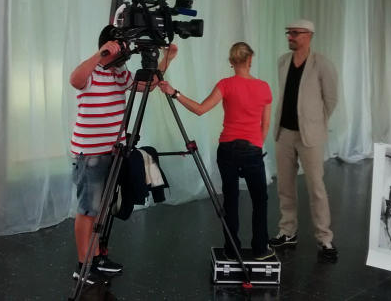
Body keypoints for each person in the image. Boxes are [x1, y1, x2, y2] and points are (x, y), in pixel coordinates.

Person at [68, 27, 177, 283]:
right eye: (123, 47)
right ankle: (83, 267)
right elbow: (75, 79)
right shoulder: (92, 70)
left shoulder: (119, 73)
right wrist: (101, 54)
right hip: (91, 154)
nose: (127, 52)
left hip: (114, 151)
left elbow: (147, 86)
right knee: (88, 210)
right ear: (110, 46)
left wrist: (167, 59)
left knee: (102, 209)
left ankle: (96, 258)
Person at [158, 42, 275, 260]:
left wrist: (174, 93)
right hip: (252, 150)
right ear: (250, 60)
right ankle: (260, 248)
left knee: (230, 200)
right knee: (260, 200)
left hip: (227, 149)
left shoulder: (225, 84)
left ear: (231, 62)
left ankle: (232, 250)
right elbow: (265, 125)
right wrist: (256, 147)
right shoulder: (264, 87)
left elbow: (200, 109)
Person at [267, 19, 339, 263]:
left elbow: (331, 99)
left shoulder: (322, 64)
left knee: (316, 187)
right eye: (288, 33)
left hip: (311, 135)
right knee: (284, 186)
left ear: (308, 35)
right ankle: (287, 231)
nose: (290, 36)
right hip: (284, 133)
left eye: (295, 33)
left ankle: (325, 237)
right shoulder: (282, 62)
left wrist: (316, 122)